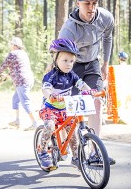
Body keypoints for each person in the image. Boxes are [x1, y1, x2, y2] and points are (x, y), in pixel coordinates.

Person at [58, 0, 116, 165]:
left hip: (93, 64)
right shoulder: (69, 29)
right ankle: (74, 150)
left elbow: (108, 38)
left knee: (96, 103)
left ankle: (94, 152)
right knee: (73, 109)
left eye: (94, 3)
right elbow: (61, 57)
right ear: (78, 3)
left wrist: (105, 63)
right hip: (71, 66)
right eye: (87, 4)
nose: (91, 8)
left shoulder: (105, 17)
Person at [38, 38, 94, 171]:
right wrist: (50, 95)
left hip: (65, 108)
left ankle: (75, 158)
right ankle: (43, 152)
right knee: (50, 125)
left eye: (71, 61)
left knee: (73, 132)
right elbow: (45, 88)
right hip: (50, 108)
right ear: (55, 59)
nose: (69, 64)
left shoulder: (72, 75)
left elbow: (81, 84)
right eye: (65, 60)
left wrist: (90, 91)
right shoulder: (51, 75)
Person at [0, 37, 38, 131]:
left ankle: (35, 123)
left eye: (11, 44)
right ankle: (17, 121)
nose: (10, 46)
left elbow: (4, 65)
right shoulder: (24, 54)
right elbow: (19, 67)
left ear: (14, 45)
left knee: (25, 101)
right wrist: (9, 74)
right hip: (28, 79)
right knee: (15, 99)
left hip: (21, 81)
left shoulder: (13, 53)